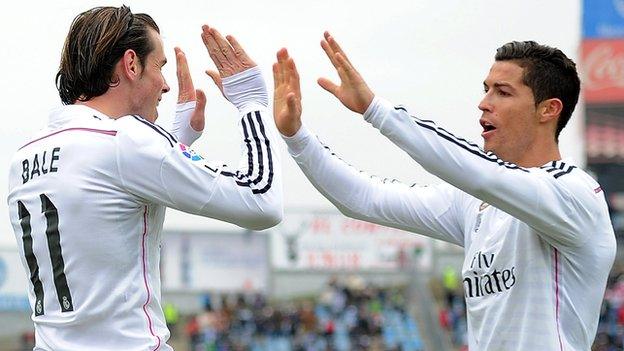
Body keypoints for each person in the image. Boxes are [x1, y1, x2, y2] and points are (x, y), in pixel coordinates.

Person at [272, 33, 617, 350]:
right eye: (486, 89)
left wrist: (375, 110)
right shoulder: (474, 205)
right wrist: (297, 138)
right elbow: (364, 199)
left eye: (503, 92)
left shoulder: (574, 194)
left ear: (548, 109)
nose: (484, 102)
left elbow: (480, 174)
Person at [7, 5, 282, 350]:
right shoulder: (127, 140)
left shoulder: (24, 155)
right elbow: (262, 200)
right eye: (161, 66)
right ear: (131, 64)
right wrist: (251, 101)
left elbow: (104, 210)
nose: (166, 85)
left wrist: (176, 142)